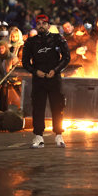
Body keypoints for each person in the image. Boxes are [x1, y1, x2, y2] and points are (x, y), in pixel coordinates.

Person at [22, 14, 70, 148]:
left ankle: (59, 135)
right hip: (39, 79)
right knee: (38, 108)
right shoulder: (30, 42)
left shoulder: (57, 39)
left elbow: (66, 57)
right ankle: (38, 136)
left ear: (48, 25)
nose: (41, 25)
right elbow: (25, 62)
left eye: (44, 23)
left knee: (58, 107)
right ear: (36, 26)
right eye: (39, 24)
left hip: (54, 78)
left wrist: (56, 70)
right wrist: (35, 71)